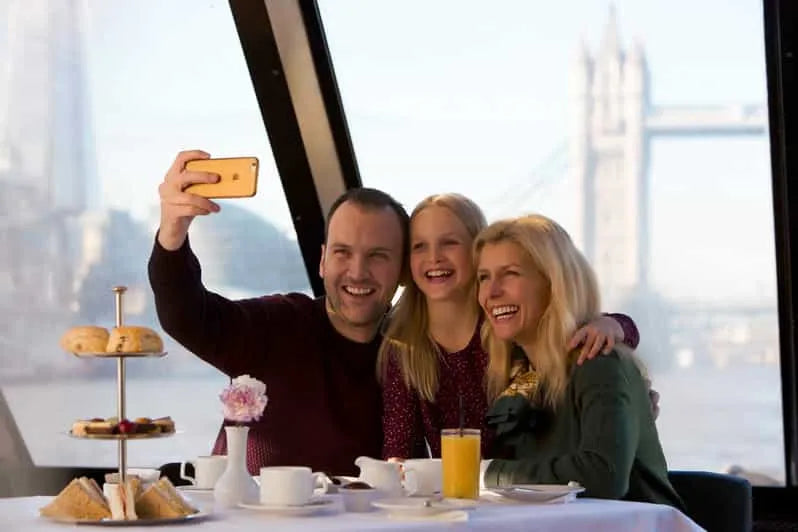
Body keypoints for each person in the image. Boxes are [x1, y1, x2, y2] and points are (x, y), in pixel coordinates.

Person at [148, 150, 409, 476]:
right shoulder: (278, 326)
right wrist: (173, 231)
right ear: (323, 261)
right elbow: (185, 314)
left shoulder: (414, 360)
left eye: (378, 255)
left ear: (403, 270)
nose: (357, 272)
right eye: (343, 252)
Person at [378, 193, 641, 460]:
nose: (434, 257)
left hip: (534, 486)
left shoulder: (506, 321)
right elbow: (400, 450)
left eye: (449, 243)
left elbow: (580, 325)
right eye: (419, 246)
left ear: (477, 251)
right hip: (464, 493)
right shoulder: (405, 348)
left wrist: (613, 324)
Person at [475, 214, 683, 508]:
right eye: (484, 277)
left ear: (554, 283)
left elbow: (603, 476)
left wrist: (486, 473)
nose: (491, 292)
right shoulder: (521, 376)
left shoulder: (599, 362)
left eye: (510, 273)